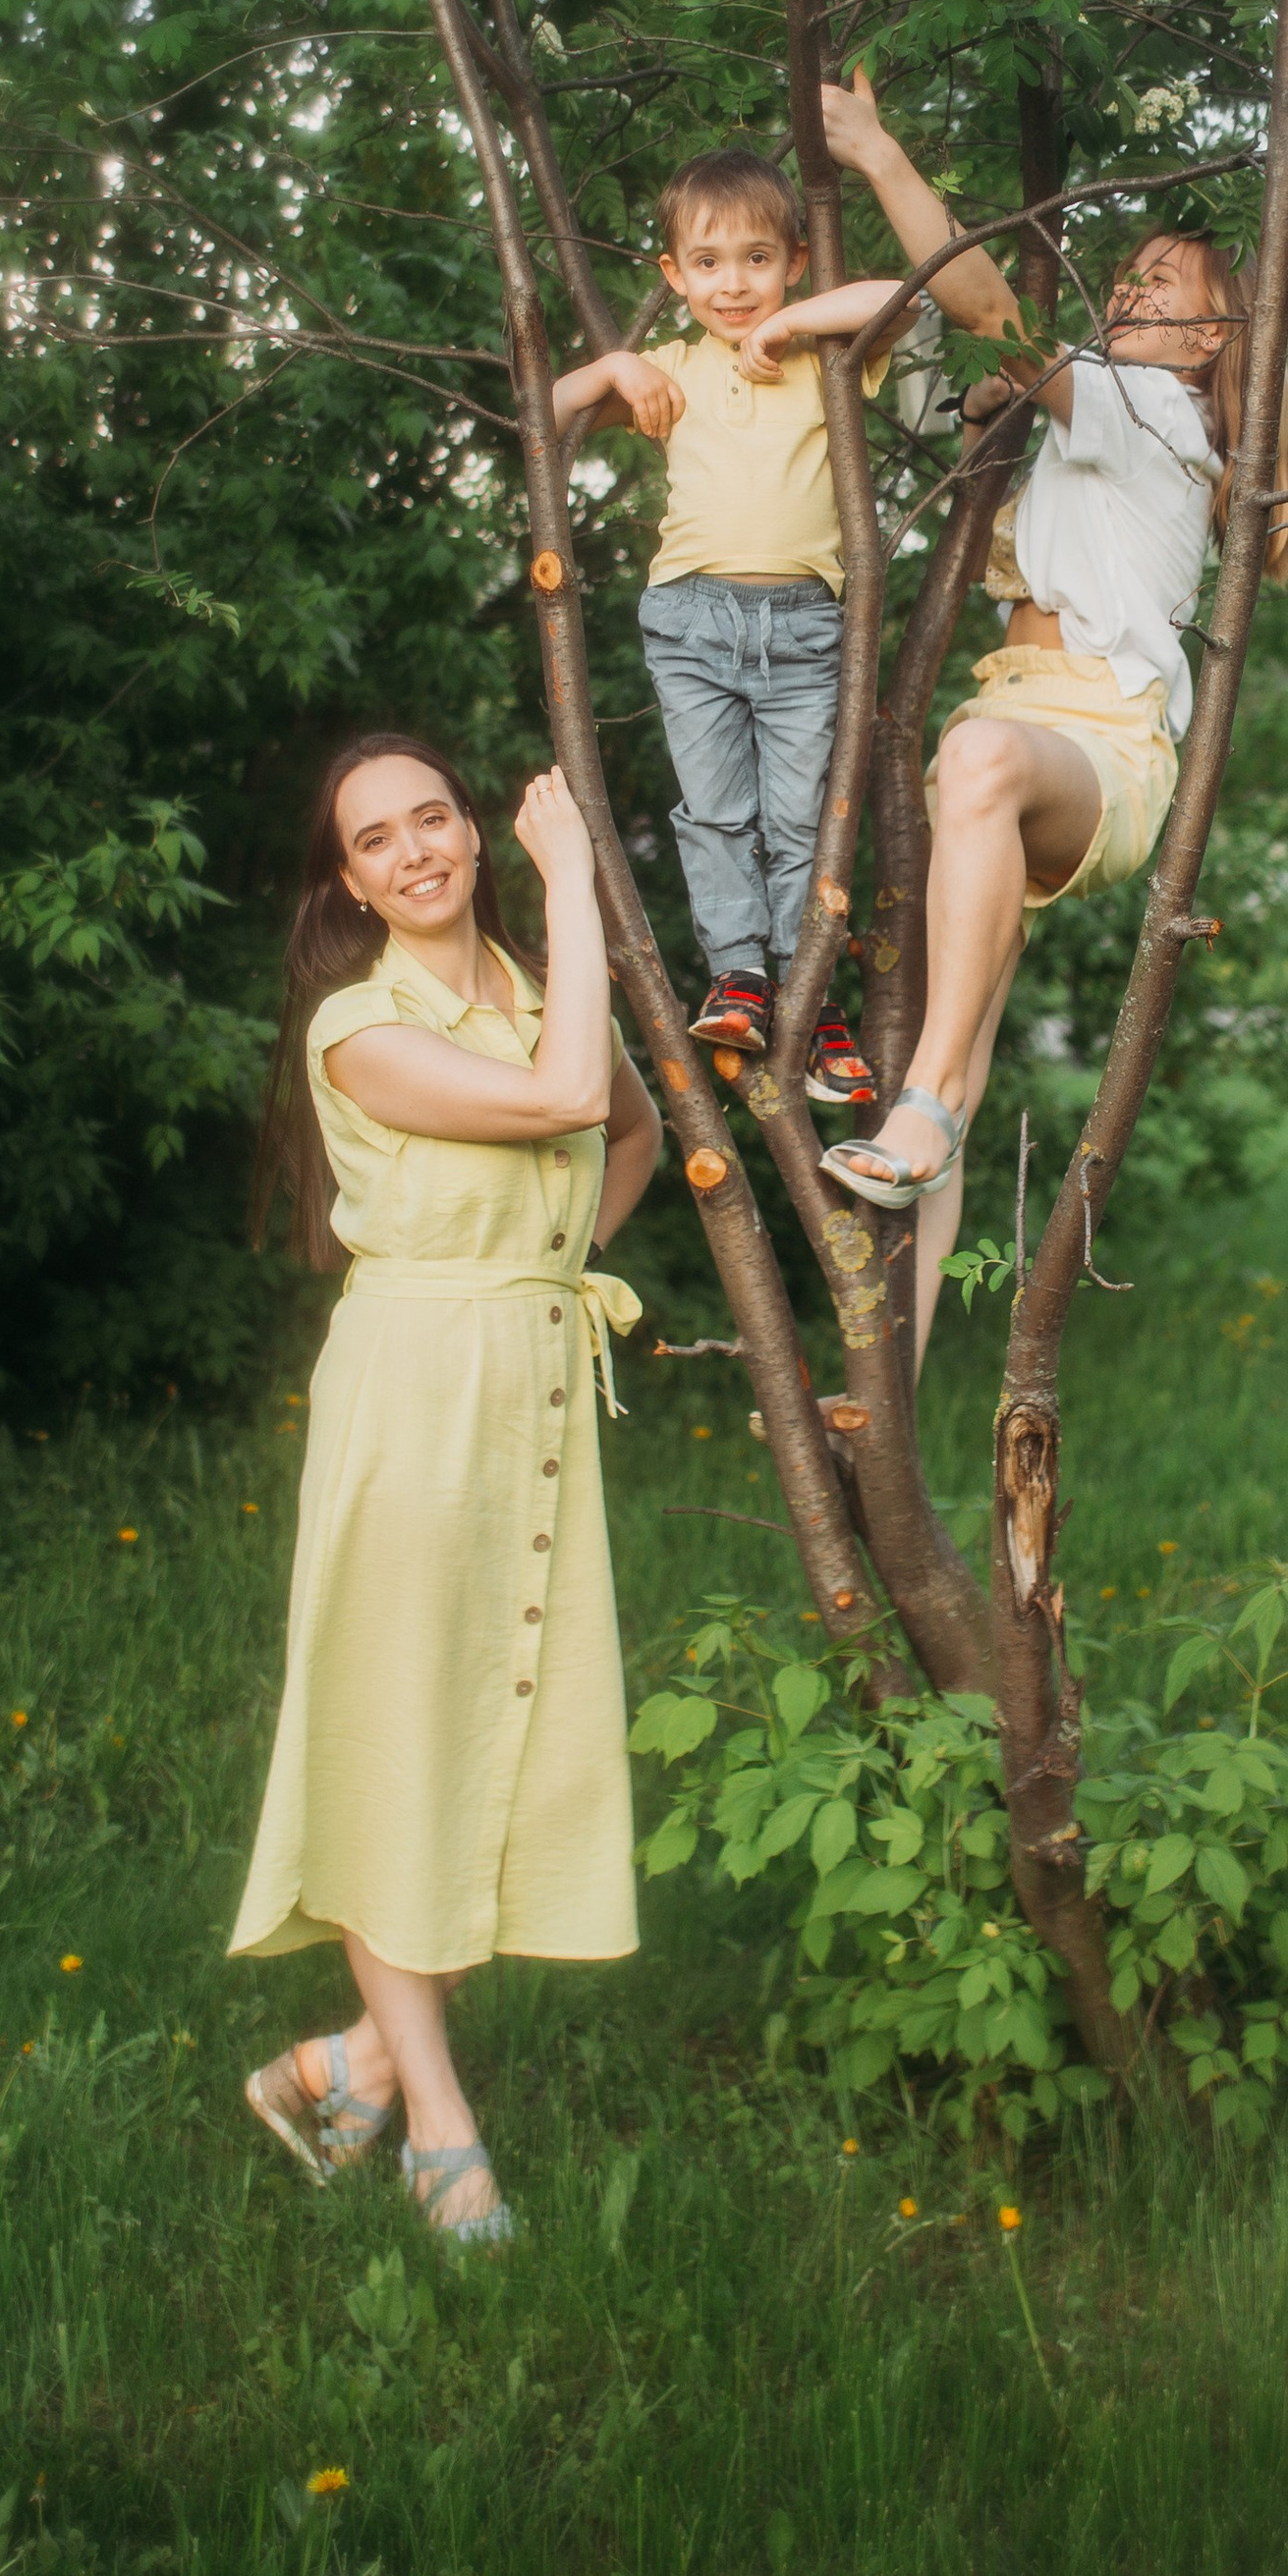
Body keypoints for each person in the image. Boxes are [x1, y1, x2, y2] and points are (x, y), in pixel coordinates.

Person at [798, 72, 1288, 1357]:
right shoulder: (1097, 420)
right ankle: (885, 1381)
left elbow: (987, 312)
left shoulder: (1155, 411)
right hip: (1019, 725)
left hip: (1094, 742)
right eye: (1126, 274)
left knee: (971, 763)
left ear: (1210, 341)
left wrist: (878, 154)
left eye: (1161, 286)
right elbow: (960, 379)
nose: (1128, 291)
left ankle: (920, 1101)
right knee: (949, 1061)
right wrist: (982, 395)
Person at [233, 734, 659, 2243]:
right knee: (398, 1743)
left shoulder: (542, 993)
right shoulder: (358, 1025)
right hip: (413, 1396)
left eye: (433, 817)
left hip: (531, 1382)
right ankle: (440, 2124)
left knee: (507, 1736)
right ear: (350, 883)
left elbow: (631, 1125)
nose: (414, 849)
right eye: (377, 838)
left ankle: (344, 2063)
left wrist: (552, 1258)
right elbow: (564, 1097)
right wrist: (576, 879)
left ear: (472, 832)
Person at [550, 147, 887, 1105]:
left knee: (803, 820)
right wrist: (614, 364)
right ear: (673, 275)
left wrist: (791, 322)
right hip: (691, 623)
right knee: (714, 813)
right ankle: (739, 975)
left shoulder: (827, 356)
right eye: (707, 263)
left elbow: (905, 296)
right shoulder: (670, 369)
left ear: (795, 261)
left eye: (756, 259)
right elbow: (544, 414)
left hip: (804, 630)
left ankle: (811, 997)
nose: (732, 284)